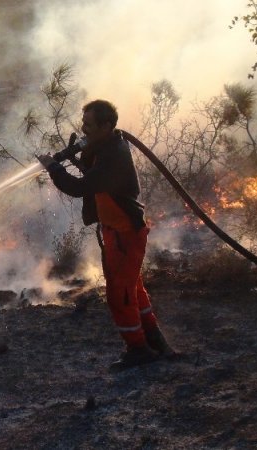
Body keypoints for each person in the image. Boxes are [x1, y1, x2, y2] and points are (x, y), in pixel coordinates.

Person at [37, 99, 175, 371]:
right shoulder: (107, 147)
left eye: (89, 125)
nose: (84, 130)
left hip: (125, 234)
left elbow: (80, 188)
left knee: (119, 294)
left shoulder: (114, 154)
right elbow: (94, 178)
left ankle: (138, 350)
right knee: (133, 290)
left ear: (106, 126)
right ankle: (154, 341)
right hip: (118, 232)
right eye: (84, 124)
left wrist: (54, 168)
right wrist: (78, 158)